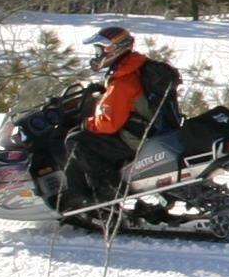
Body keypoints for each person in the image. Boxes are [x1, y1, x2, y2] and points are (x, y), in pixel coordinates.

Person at [55, 24, 180, 221]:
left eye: (100, 50)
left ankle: (103, 192)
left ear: (115, 49)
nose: (97, 55)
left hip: (136, 138)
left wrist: (87, 123)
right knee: (82, 137)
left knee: (76, 140)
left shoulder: (123, 81)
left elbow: (108, 125)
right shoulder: (135, 68)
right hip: (147, 132)